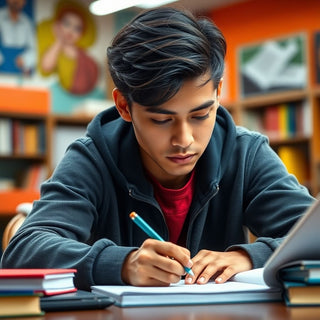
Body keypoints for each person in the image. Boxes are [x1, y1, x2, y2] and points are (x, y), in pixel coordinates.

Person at [1, 8, 315, 290]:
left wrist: (251, 255)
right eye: (161, 120)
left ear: (218, 93)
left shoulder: (244, 153)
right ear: (124, 106)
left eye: (200, 115)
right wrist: (122, 264)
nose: (185, 139)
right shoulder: (92, 157)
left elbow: (311, 233)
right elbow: (24, 250)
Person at [37, 0, 98, 95]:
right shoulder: (56, 46)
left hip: (79, 95)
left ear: (82, 33)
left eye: (77, 28)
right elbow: (46, 67)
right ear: (57, 24)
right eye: (66, 24)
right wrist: (59, 40)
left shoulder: (80, 53)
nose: (70, 30)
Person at [0, 0, 36, 74]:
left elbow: (34, 48)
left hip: (19, 71)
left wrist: (25, 59)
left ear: (24, 2)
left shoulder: (27, 22)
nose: (16, 1)